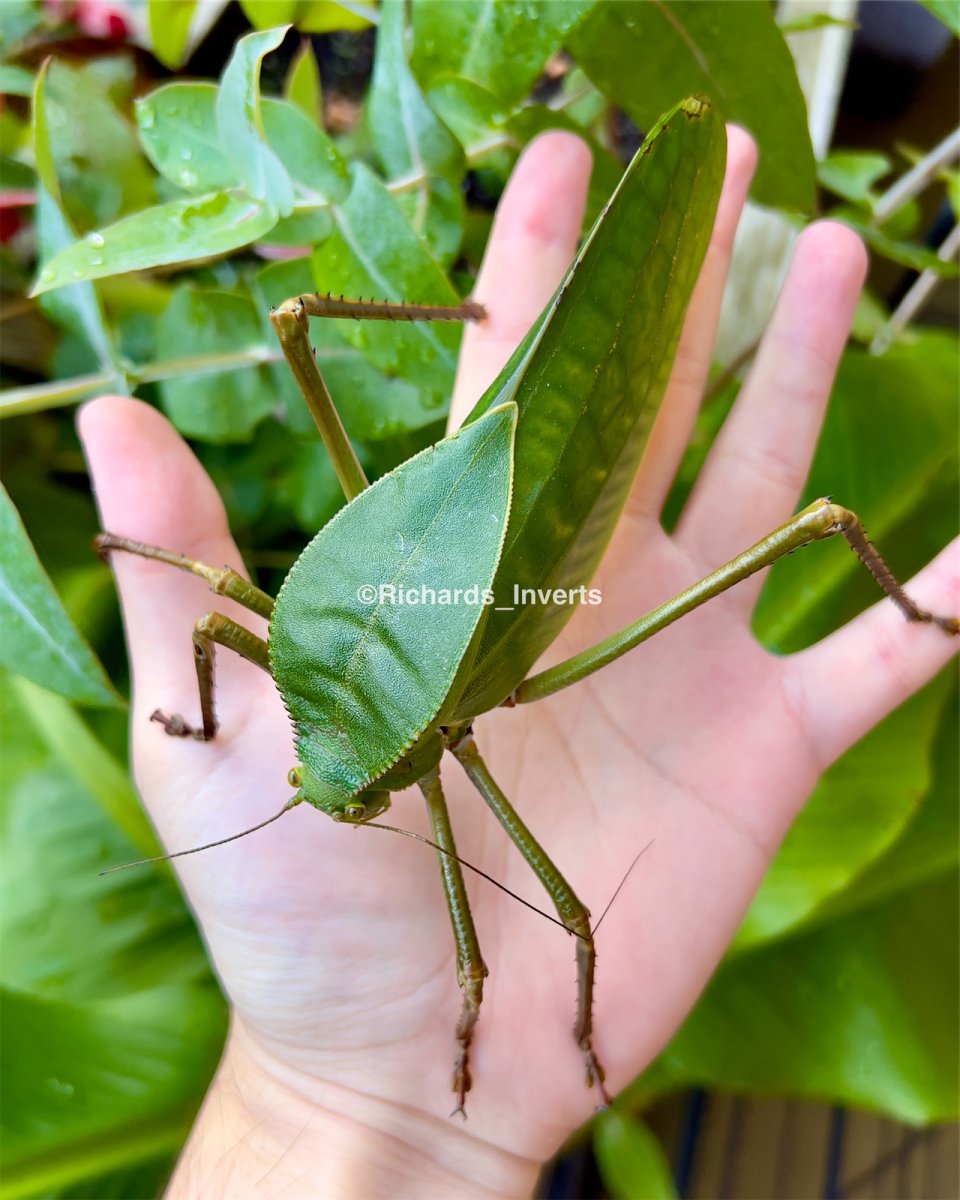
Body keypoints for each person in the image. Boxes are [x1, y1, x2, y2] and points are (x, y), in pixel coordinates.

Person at [79, 129, 957, 1198]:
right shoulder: (303, 687)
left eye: (350, 791)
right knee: (291, 339)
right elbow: (220, 614)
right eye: (342, 791)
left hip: (520, 591)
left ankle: (908, 596)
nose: (341, 800)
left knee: (809, 521)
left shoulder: (408, 742)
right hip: (459, 557)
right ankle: (489, 319)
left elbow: (569, 931)